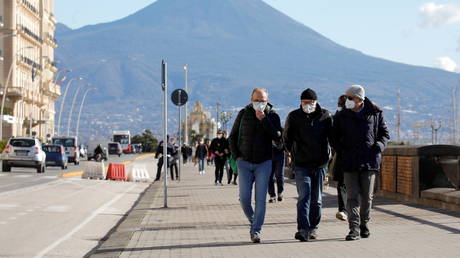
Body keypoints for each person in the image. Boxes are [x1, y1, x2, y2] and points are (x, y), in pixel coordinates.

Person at [333, 85, 390, 241]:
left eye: (349, 98)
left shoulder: (375, 113)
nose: (347, 101)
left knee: (367, 197)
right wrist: (341, 150)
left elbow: (385, 134)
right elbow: (334, 136)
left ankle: (364, 223)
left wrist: (379, 146)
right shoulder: (341, 115)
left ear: (359, 98)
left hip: (369, 161)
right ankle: (354, 229)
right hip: (349, 162)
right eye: (346, 98)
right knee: (352, 198)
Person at [229, 88, 282, 243]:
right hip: (244, 162)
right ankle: (254, 221)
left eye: (263, 100)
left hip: (263, 162)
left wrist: (264, 119)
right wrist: (236, 156)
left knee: (260, 199)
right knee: (244, 199)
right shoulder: (243, 114)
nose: (260, 103)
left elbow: (277, 137)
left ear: (267, 100)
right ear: (251, 99)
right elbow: (232, 136)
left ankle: (256, 231)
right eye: (257, 100)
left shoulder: (273, 116)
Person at [283, 88, 334, 242]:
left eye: (311, 102)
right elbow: (287, 137)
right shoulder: (294, 116)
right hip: (301, 164)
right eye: (305, 102)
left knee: (316, 199)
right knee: (304, 196)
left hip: (320, 164)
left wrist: (330, 157)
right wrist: (291, 152)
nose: (308, 105)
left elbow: (332, 138)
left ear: (316, 102)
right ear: (301, 102)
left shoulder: (325, 116)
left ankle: (313, 228)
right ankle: (303, 229)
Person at [330, 95, 348, 221]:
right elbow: (332, 138)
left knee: (348, 185)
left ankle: (347, 210)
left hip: (354, 157)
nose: (340, 107)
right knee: (342, 184)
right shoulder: (336, 118)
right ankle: (343, 210)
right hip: (342, 156)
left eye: (342, 104)